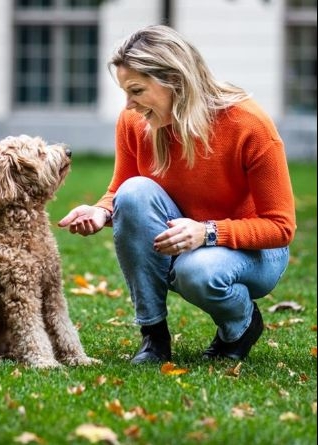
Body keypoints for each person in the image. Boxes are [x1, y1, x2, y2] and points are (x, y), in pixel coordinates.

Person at [58, 25, 296, 364]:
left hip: (256, 252)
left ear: (175, 80)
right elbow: (122, 189)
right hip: (184, 240)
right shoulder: (134, 121)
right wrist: (101, 212)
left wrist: (208, 232)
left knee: (197, 270)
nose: (129, 104)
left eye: (137, 90)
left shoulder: (249, 124)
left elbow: (281, 228)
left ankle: (241, 324)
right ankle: (153, 336)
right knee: (135, 191)